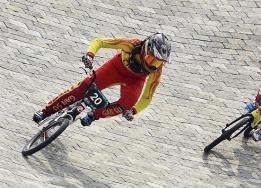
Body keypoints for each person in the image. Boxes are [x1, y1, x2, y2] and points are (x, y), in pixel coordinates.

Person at [32, 33, 171, 126]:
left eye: (158, 62)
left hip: (134, 81)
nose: (153, 65)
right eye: (151, 58)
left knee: (127, 104)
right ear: (145, 49)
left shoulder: (156, 71)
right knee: (83, 87)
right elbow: (101, 41)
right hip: (115, 69)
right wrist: (90, 55)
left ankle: (93, 115)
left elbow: (147, 97)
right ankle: (45, 112)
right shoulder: (131, 44)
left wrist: (134, 110)